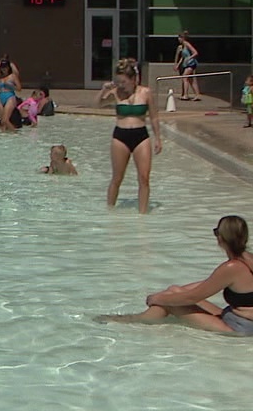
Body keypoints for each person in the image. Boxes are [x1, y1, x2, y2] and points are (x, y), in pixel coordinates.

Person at [99, 216, 253, 335]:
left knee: (168, 303)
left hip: (238, 327)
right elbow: (208, 284)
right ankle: (141, 319)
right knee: (174, 291)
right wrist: (173, 291)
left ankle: (132, 321)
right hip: (236, 318)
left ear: (221, 238)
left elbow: (191, 298)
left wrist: (157, 298)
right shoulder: (248, 259)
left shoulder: (231, 267)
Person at [100, 58, 162, 214]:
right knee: (117, 178)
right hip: (120, 136)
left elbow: (154, 116)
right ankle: (110, 212)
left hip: (141, 135)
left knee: (144, 178)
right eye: (118, 82)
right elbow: (97, 104)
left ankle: (143, 215)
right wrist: (103, 90)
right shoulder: (115, 93)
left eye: (124, 82)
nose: (121, 85)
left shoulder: (145, 92)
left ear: (134, 79)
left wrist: (158, 138)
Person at [0, 59, 22, 132]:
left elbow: (19, 88)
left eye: (5, 67)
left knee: (5, 120)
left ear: (8, 68)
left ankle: (15, 133)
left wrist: (11, 86)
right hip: (1, 97)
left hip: (9, 97)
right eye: (2, 68)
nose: (4, 69)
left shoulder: (13, 76)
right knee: (2, 121)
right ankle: (4, 137)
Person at [174, 31, 201, 101]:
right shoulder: (182, 47)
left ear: (183, 38)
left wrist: (190, 58)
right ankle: (197, 95)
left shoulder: (187, 44)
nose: (178, 39)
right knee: (191, 80)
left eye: (179, 38)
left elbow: (195, 52)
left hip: (191, 64)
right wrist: (177, 65)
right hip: (186, 64)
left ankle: (185, 95)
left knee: (184, 77)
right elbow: (182, 57)